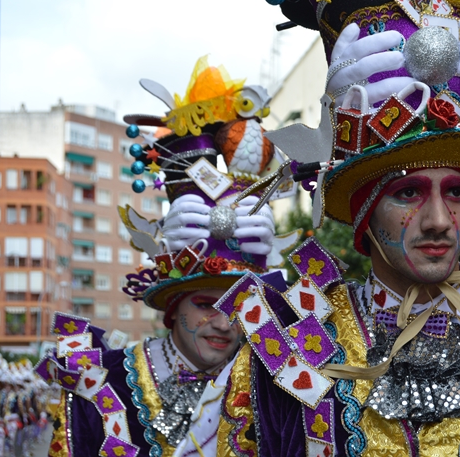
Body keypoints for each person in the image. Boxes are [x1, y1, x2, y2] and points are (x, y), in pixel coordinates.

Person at [176, 0, 460, 454]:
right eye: (407, 193)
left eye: (458, 193)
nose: (440, 222)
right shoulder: (283, 349)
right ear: (365, 212)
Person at [34, 59, 297, 456]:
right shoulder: (104, 381)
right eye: (207, 303)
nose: (225, 322)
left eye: (241, 306)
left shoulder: (278, 392)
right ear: (173, 307)